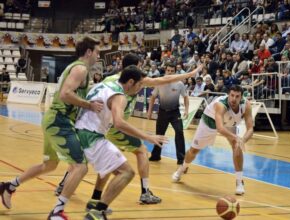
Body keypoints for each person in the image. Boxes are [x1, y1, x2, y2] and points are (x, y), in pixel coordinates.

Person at [55, 54, 202, 207]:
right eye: (139, 66)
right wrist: (190, 74)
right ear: (132, 72)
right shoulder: (128, 86)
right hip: (112, 127)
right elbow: (163, 80)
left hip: (93, 126)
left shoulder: (108, 80)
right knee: (140, 152)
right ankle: (143, 193)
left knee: (98, 161)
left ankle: (80, 193)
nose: (141, 70)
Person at [0, 36, 103, 219]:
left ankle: (10, 185)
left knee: (49, 165)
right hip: (59, 120)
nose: (98, 55)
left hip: (53, 119)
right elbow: (65, 94)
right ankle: (57, 212)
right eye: (97, 51)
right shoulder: (80, 68)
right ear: (89, 52)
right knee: (80, 167)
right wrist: (89, 105)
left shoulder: (76, 68)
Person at [76, 65, 168, 219]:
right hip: (91, 135)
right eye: (140, 84)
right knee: (126, 172)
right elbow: (119, 123)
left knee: (109, 164)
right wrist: (148, 137)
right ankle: (97, 212)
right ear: (131, 82)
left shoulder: (102, 84)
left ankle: (94, 201)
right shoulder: (120, 95)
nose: (140, 88)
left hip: (81, 131)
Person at [172, 85, 253, 195]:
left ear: (241, 97)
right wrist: (235, 137)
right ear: (228, 95)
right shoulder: (221, 105)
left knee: (237, 146)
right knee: (193, 151)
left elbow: (250, 129)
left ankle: (239, 182)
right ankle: (183, 167)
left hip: (229, 124)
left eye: (237, 96)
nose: (234, 99)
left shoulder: (246, 105)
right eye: (232, 95)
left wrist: (242, 140)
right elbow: (220, 128)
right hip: (210, 122)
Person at [147, 63, 189, 165]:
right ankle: (156, 155)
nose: (170, 72)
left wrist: (187, 110)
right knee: (159, 135)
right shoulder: (159, 82)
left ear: (175, 72)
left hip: (175, 113)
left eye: (172, 71)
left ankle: (181, 158)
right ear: (165, 71)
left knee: (179, 132)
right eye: (168, 70)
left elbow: (186, 97)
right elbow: (153, 97)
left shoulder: (179, 84)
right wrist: (149, 111)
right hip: (162, 112)